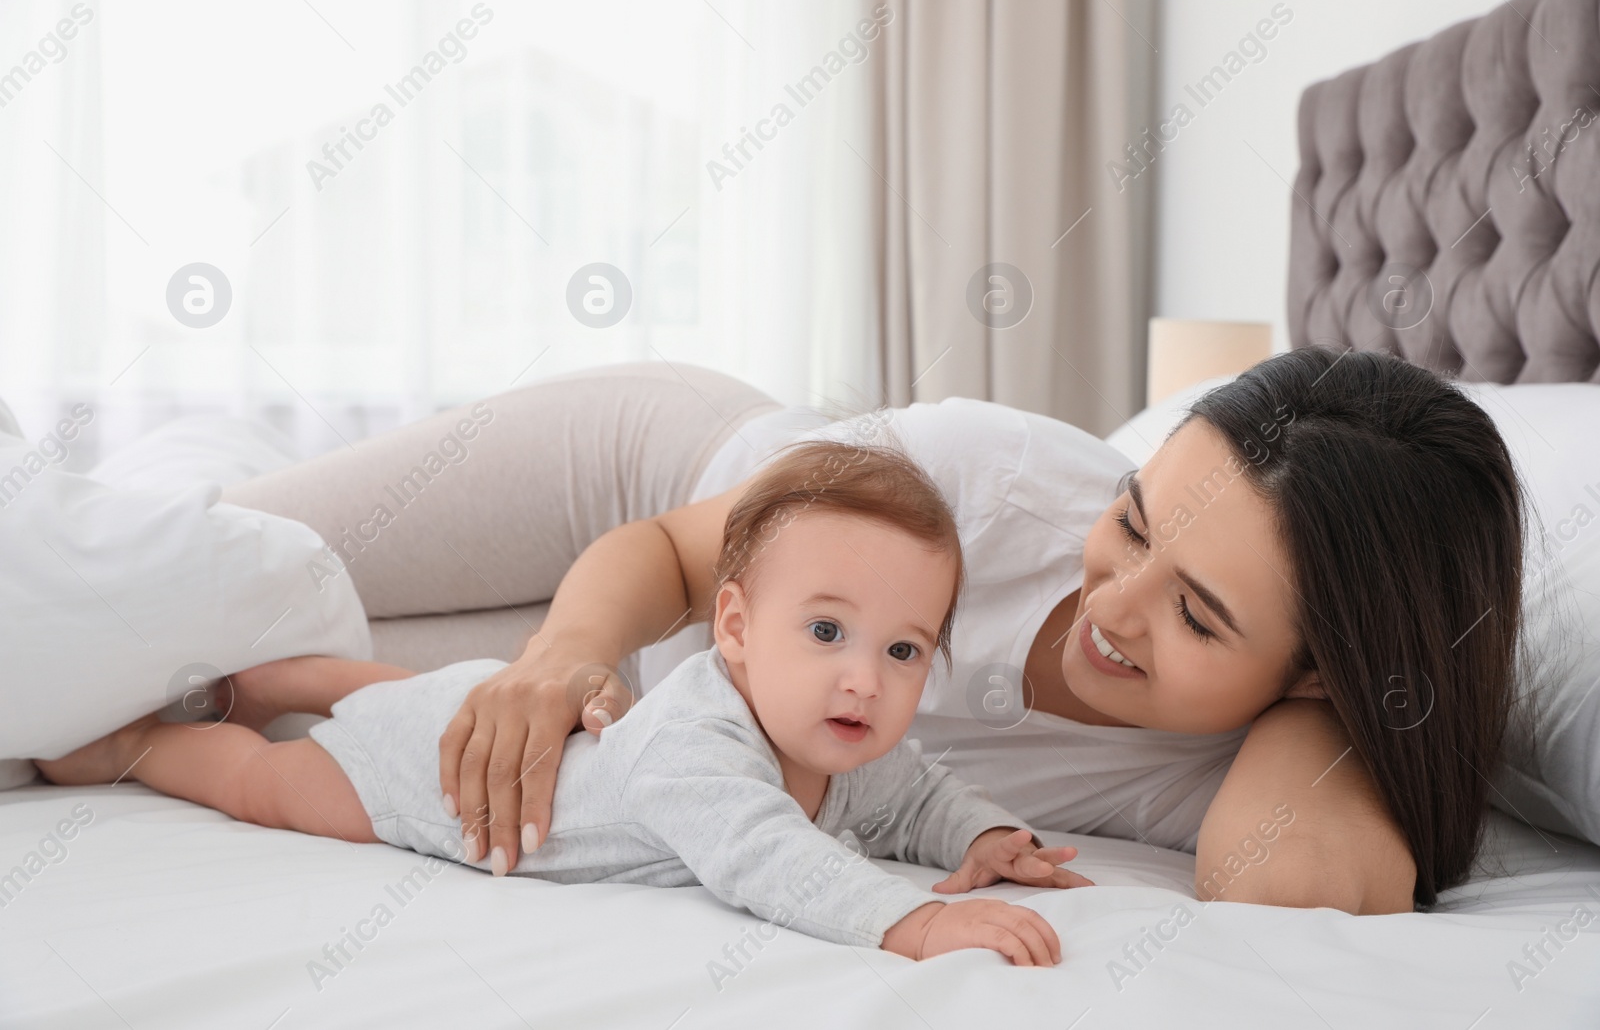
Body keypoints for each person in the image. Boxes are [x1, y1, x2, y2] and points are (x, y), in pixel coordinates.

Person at [216, 347, 1530, 914]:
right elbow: (675, 550)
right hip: (643, 511)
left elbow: (1288, 889)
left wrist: (1329, 708)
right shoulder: (993, 475)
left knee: (222, 671)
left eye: (1196, 611)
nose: (1111, 610)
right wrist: (562, 655)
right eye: (1131, 520)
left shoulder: (1265, 764)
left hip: (640, 721)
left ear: (1318, 668)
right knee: (221, 565)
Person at [35, 440, 1094, 965]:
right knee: (276, 780)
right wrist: (911, 919)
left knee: (431, 689)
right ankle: (137, 746)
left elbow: (921, 796)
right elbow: (769, 859)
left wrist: (987, 833)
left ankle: (285, 678)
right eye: (824, 631)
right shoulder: (697, 749)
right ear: (733, 626)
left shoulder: (847, 733)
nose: (863, 675)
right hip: (445, 787)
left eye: (903, 648)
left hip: (493, 715)